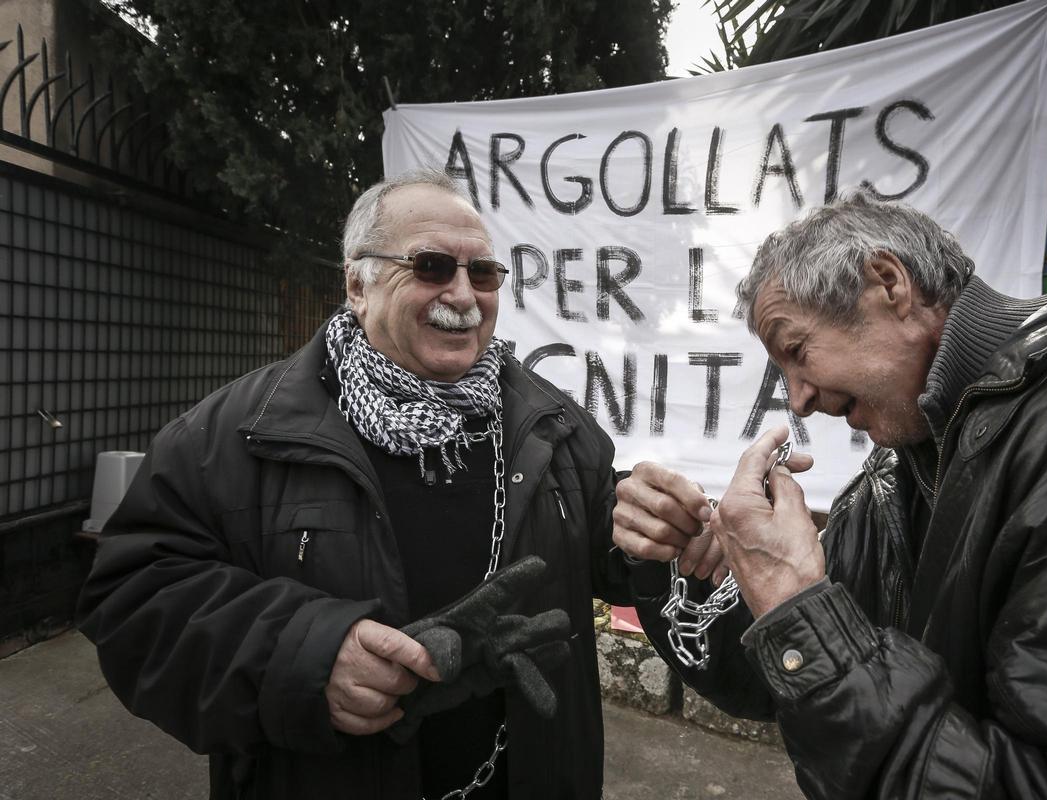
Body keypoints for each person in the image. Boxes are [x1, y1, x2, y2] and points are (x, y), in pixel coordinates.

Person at [78, 169, 643, 800]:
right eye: (431, 266)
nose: (463, 295)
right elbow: (134, 601)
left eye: (483, 273)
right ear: (357, 285)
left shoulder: (554, 423)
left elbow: (607, 548)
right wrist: (303, 657)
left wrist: (645, 531)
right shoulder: (232, 435)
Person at [613, 191, 1047, 798]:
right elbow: (780, 679)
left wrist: (794, 602)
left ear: (890, 285)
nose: (799, 400)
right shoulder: (904, 470)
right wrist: (681, 556)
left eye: (797, 352)